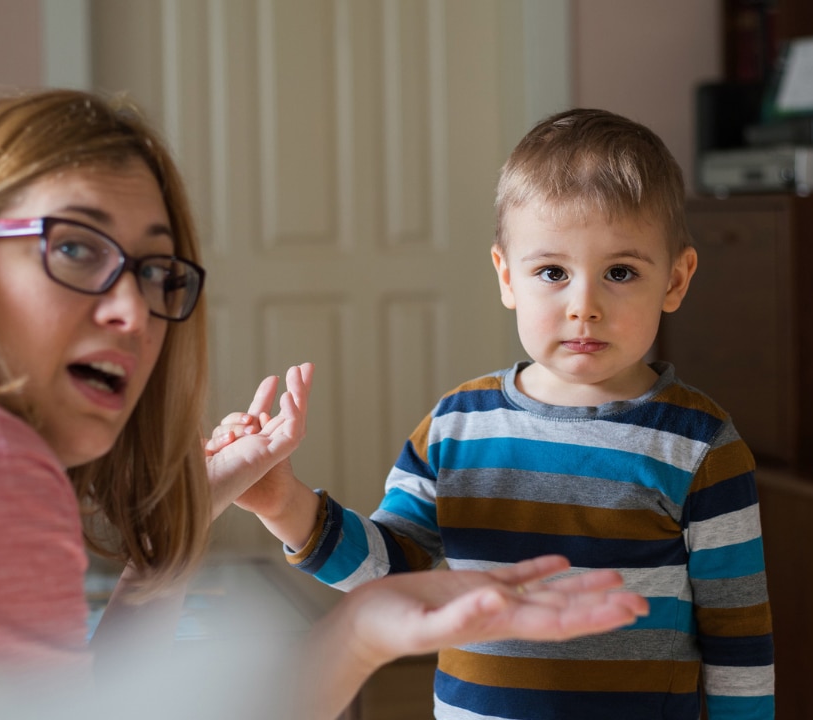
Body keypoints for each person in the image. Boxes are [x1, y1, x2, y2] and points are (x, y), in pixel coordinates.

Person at [0, 89, 648, 720]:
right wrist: (361, 627)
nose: (135, 308)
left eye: (156, 269)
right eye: (76, 249)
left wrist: (203, 503)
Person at [216, 108, 775, 719]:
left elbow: (739, 636)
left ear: (675, 278)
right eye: (552, 272)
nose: (582, 306)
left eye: (619, 272)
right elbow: (389, 577)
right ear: (508, 277)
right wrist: (282, 503)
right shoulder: (457, 427)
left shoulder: (700, 446)